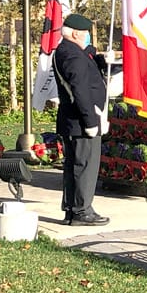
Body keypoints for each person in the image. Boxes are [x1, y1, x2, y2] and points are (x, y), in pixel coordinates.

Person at [52, 13, 109, 226]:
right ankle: (81, 210)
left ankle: (73, 208)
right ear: (76, 33)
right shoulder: (72, 55)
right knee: (85, 166)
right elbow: (80, 90)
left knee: (75, 166)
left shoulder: (71, 51)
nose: (87, 37)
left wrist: (102, 59)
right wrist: (91, 122)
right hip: (81, 121)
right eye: (85, 33)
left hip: (74, 121)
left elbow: (89, 60)